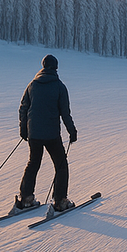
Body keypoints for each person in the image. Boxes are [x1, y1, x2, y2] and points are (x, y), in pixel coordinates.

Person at [17, 54, 78, 212]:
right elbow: (65, 113)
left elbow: (23, 108)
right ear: (56, 68)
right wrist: (72, 131)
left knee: (33, 163)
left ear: (43, 66)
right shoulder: (59, 86)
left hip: (34, 134)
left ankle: (26, 198)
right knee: (61, 165)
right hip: (51, 135)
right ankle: (60, 201)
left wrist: (24, 129)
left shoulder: (32, 85)